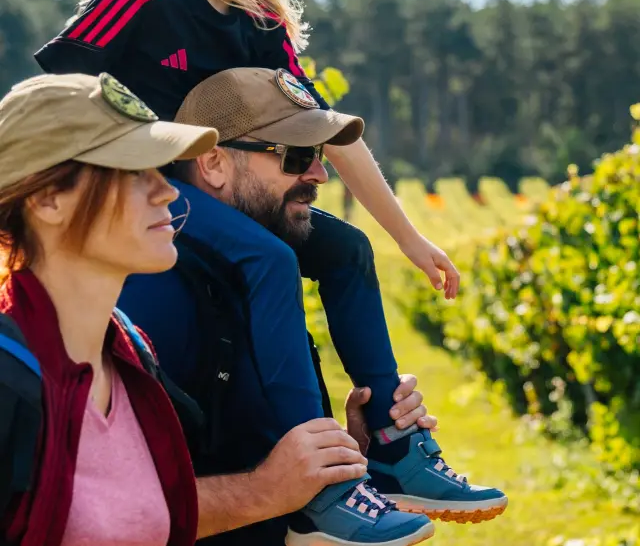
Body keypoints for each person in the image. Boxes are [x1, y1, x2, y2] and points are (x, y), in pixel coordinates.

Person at [34, 0, 506, 524]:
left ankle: (392, 445)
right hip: (138, 189)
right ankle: (319, 483)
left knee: (347, 249)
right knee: (270, 257)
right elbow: (54, 92)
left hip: (210, 196)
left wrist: (409, 239)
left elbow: (330, 131)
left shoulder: (260, 20)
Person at [120, 67, 508, 546]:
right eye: (296, 156)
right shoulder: (147, 300)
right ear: (214, 163)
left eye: (319, 155)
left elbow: (257, 458)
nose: (321, 175)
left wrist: (351, 450)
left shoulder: (254, 282)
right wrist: (266, 492)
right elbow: (103, 511)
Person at [0, 73, 391, 546]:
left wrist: (335, 457)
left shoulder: (130, 352)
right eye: (132, 173)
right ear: (48, 200)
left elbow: (145, 511)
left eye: (158, 169)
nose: (167, 191)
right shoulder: (10, 378)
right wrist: (262, 491)